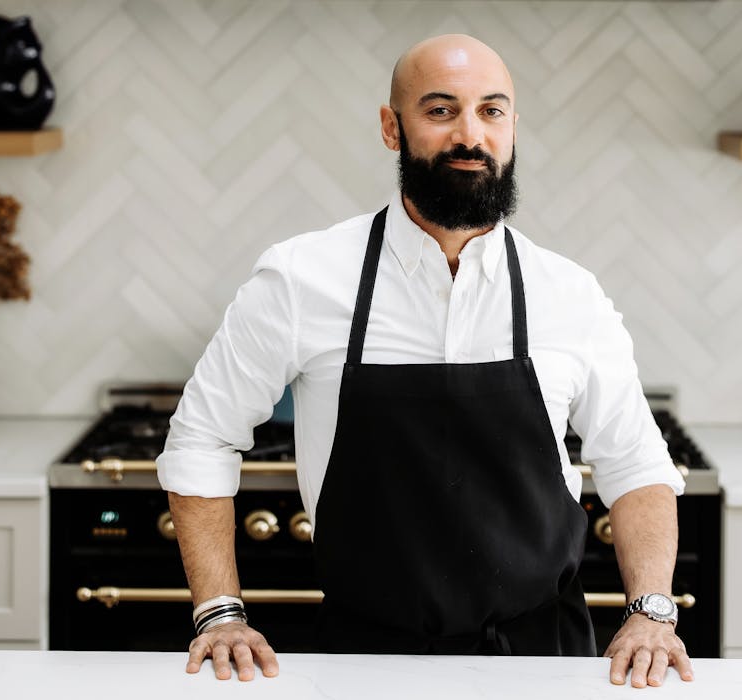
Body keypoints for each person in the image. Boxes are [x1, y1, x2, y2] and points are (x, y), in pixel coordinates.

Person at [156, 33, 694, 689]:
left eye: (492, 111)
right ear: (392, 127)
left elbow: (636, 461)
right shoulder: (303, 279)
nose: (471, 134)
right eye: (441, 111)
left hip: (543, 660)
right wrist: (219, 613)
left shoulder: (568, 293)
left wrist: (652, 612)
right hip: (362, 662)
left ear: (512, 128)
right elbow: (201, 439)